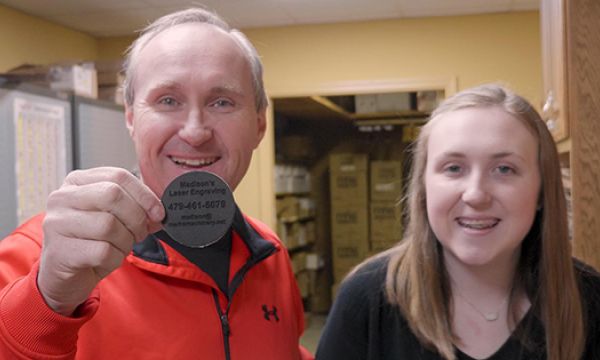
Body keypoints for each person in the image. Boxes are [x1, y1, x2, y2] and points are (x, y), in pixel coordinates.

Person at [0, 8, 313, 360]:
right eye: (168, 100)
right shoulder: (40, 256)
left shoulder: (269, 253)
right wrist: (48, 301)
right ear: (132, 119)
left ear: (259, 126)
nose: (195, 132)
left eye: (222, 102)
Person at [316, 84, 600, 360]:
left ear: (541, 190)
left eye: (504, 169)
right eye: (454, 168)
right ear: (424, 187)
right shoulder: (367, 300)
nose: (476, 194)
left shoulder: (589, 300)